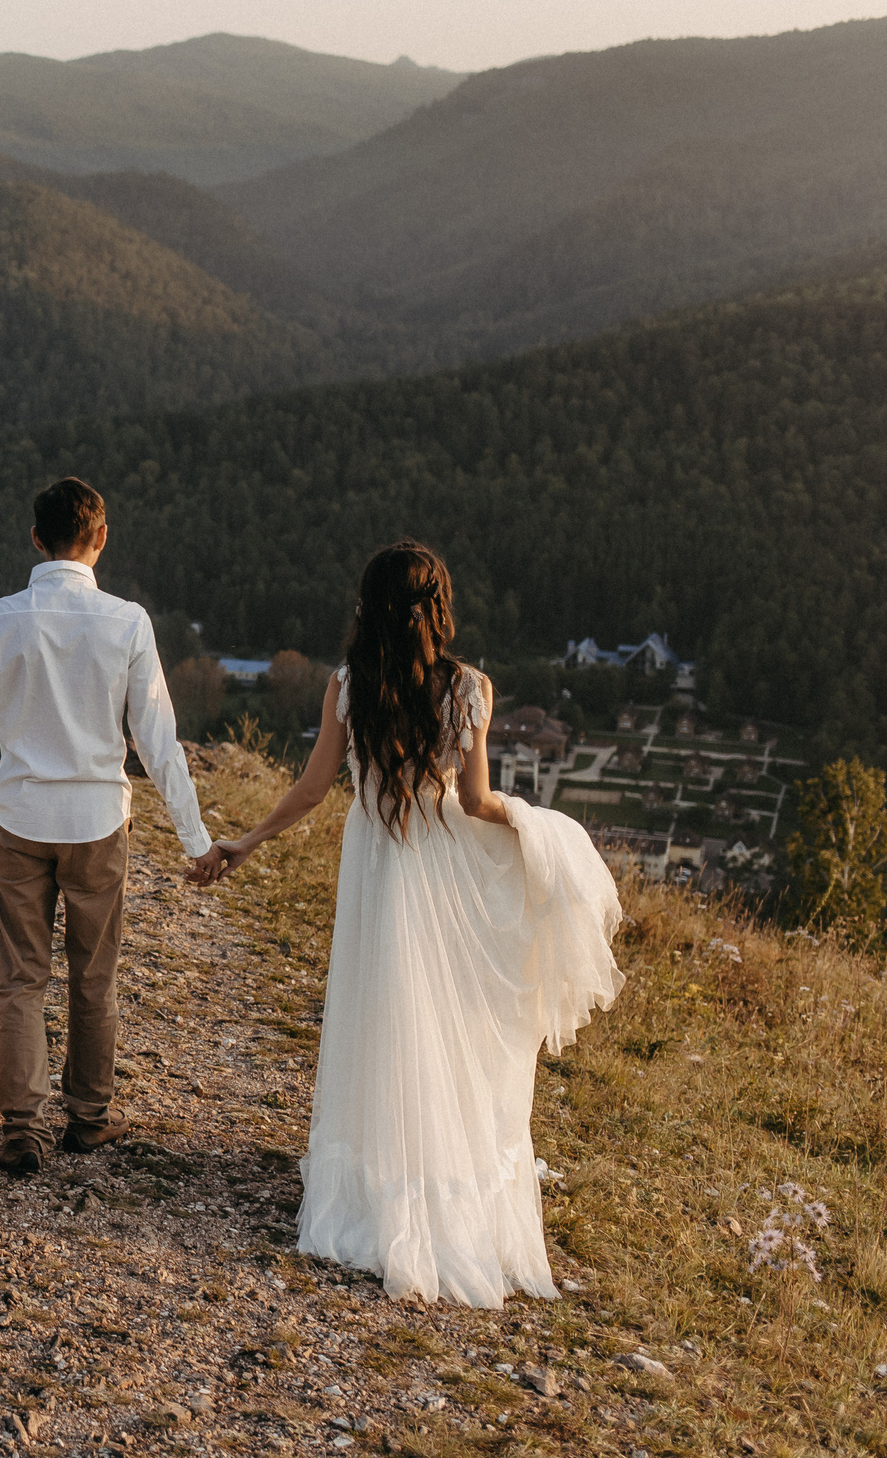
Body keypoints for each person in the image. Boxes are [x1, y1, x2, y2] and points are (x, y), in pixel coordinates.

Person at [197, 540, 624, 1305]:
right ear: (438, 609)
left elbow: (313, 787)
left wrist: (248, 840)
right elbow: (475, 802)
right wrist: (534, 830)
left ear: (370, 607)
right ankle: (443, 1188)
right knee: (449, 1020)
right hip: (442, 865)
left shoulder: (348, 685)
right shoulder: (470, 689)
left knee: (382, 1018)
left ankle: (377, 1189)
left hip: (378, 868)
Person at [0, 477, 217, 1176]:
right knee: (94, 975)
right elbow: (158, 743)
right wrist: (196, 840)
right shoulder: (127, 621)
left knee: (20, 979)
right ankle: (89, 1119)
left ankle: (22, 1129)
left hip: (22, 819)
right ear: (100, 538)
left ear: (36, 538)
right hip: (98, 822)